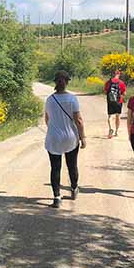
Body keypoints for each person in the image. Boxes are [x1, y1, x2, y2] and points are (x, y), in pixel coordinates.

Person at [44, 70, 87, 208]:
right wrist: (83, 137)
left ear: (55, 82)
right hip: (70, 138)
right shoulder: (72, 99)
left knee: (55, 168)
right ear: (67, 82)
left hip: (54, 138)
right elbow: (79, 120)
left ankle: (57, 197)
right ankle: (74, 189)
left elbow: (47, 119)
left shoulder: (50, 100)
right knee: (72, 165)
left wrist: (54, 128)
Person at [103, 69, 127, 138]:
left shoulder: (108, 82)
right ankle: (116, 132)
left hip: (110, 101)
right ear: (118, 74)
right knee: (117, 116)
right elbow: (124, 93)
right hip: (119, 101)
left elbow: (105, 92)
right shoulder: (121, 83)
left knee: (110, 116)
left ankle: (111, 128)